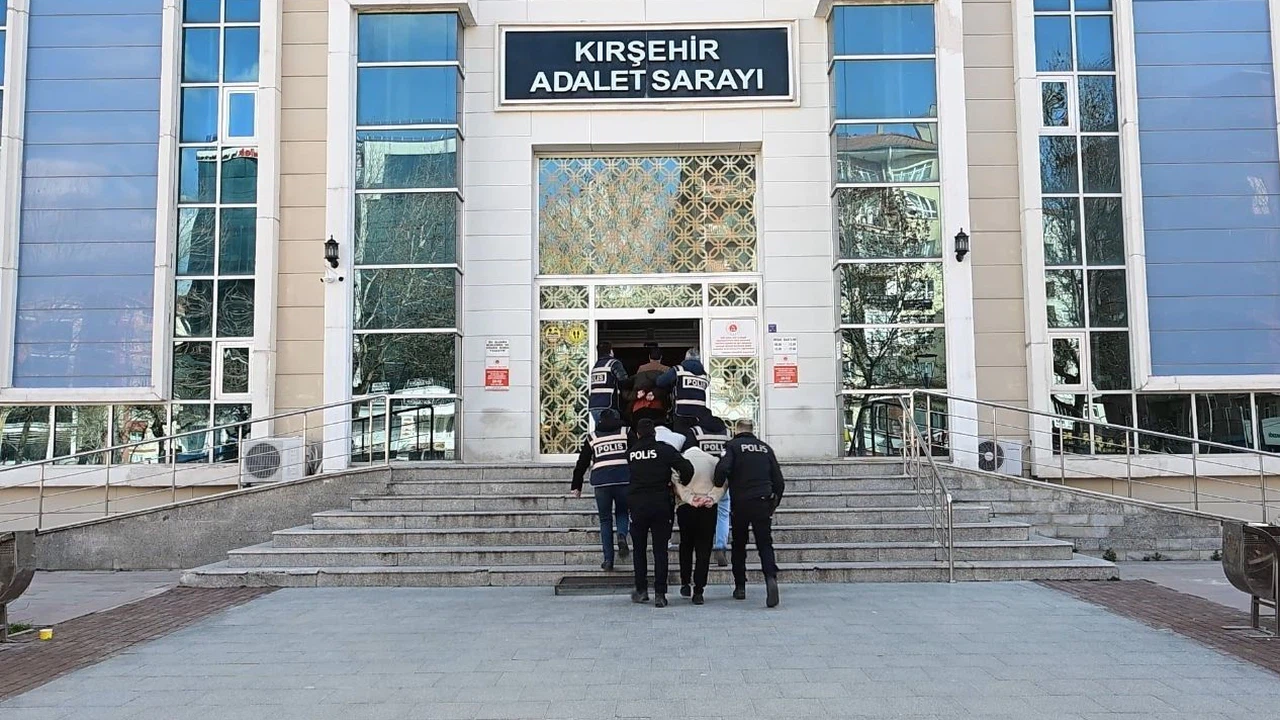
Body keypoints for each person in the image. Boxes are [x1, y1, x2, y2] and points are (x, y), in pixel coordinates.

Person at [714, 418, 785, 608]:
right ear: (752, 430)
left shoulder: (732, 446)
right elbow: (779, 480)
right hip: (763, 501)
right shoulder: (765, 448)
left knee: (739, 544)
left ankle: (740, 586)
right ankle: (770, 578)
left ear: (736, 430)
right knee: (765, 544)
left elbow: (722, 468)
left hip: (741, 502)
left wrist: (718, 482)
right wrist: (774, 503)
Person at [626, 418, 694, 608]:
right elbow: (687, 467)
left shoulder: (630, 454)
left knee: (639, 550)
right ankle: (660, 594)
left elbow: (624, 478)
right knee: (660, 551)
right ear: (654, 434)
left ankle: (641, 590)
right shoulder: (664, 450)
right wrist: (681, 483)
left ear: (638, 434)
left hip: (638, 506)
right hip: (661, 505)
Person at [570, 409, 632, 570]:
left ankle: (608, 560)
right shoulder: (626, 432)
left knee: (605, 520)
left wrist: (576, 485)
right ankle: (622, 535)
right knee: (623, 512)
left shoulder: (593, 437)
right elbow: (635, 453)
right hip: (623, 479)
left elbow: (582, 461)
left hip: (601, 483)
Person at [673, 443, 723, 605]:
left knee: (686, 545)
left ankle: (685, 582)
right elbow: (722, 482)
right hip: (708, 508)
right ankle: (699, 590)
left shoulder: (681, 460)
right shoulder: (713, 461)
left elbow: (676, 483)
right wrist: (711, 497)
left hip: (686, 507)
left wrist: (690, 498)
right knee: (704, 548)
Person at [683, 416, 732, 567]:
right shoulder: (727, 432)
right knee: (723, 513)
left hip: (700, 481)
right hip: (722, 480)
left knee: (699, 515)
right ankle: (720, 547)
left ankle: (698, 547)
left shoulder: (695, 432)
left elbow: (687, 455)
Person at [657, 349, 710, 433]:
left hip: (681, 412)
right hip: (699, 414)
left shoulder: (678, 370)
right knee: (694, 438)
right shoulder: (705, 376)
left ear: (686, 358)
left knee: (681, 439)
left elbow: (660, 382)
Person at [589, 342, 629, 425]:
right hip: (608, 405)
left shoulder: (596, 366)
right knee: (612, 433)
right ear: (611, 351)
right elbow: (624, 380)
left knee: (601, 433)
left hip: (594, 406)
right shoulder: (613, 363)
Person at [630, 347, 670, 426]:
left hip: (640, 405)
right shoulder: (667, 369)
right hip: (659, 405)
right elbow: (667, 388)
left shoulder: (641, 368)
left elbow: (637, 385)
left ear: (649, 357)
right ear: (661, 357)